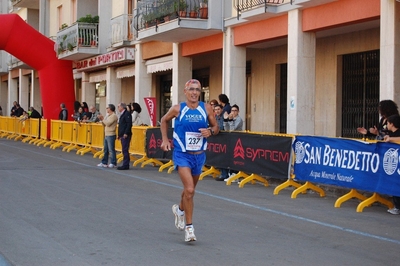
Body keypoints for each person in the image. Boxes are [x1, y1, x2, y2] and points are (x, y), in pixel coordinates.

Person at [160, 79, 219, 242]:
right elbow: (163, 120)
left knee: (188, 191)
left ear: (201, 92)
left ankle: (179, 210)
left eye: (197, 90)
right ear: (185, 91)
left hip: (199, 155)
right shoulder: (178, 109)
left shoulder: (206, 108)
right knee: (191, 190)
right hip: (182, 154)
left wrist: (210, 132)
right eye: (191, 89)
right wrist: (165, 139)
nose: (194, 92)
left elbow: (216, 127)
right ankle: (189, 228)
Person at [216, 104, 244, 181]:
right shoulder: (230, 118)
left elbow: (232, 129)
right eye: (232, 110)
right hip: (229, 139)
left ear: (238, 112)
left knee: (236, 157)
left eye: (235, 111)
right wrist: (225, 120)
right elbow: (226, 128)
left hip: (237, 140)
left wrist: (230, 120)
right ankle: (229, 173)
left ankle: (234, 173)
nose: (233, 112)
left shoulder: (239, 119)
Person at [383, 114, 400, 214]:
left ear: (392, 124)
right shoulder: (390, 134)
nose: (386, 125)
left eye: (388, 123)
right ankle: (396, 205)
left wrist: (391, 139)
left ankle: (397, 207)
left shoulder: (396, 134)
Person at [97, 104, 118, 168]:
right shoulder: (108, 116)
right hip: (106, 134)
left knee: (111, 149)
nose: (106, 109)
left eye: (107, 108)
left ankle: (113, 162)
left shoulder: (113, 116)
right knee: (105, 149)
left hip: (111, 134)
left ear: (110, 109)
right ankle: (104, 162)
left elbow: (108, 124)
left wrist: (103, 119)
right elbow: (105, 124)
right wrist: (102, 119)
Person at [117, 102, 132, 170]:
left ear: (122, 107)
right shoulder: (122, 114)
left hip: (126, 134)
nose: (118, 108)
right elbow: (121, 125)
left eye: (119, 107)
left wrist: (126, 133)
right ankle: (125, 164)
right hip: (122, 134)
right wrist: (119, 134)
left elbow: (128, 124)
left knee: (125, 149)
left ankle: (126, 164)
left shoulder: (127, 113)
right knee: (124, 149)